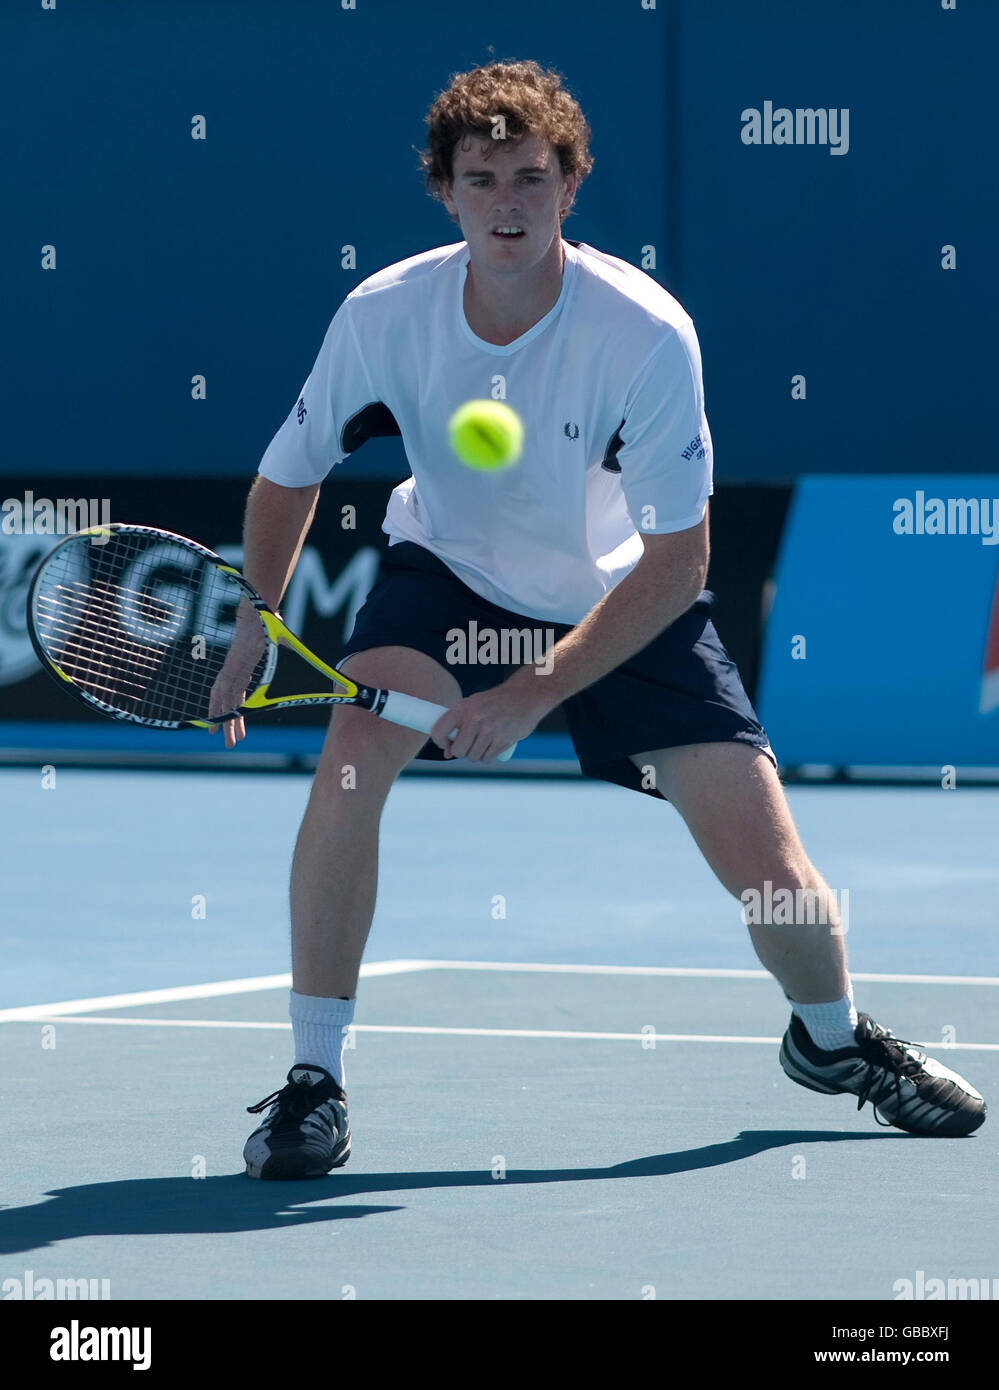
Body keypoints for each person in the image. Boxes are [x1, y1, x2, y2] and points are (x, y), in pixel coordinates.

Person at [211, 60, 985, 1180]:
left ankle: (829, 1041)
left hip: (625, 597)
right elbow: (288, 477)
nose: (509, 203)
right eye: (483, 180)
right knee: (348, 758)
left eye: (533, 177)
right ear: (446, 190)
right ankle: (313, 1082)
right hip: (448, 568)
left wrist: (532, 689)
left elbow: (681, 562)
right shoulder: (383, 314)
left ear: (572, 184)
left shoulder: (645, 332)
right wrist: (256, 614)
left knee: (771, 872)